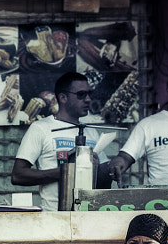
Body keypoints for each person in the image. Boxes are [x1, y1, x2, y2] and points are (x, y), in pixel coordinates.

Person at [11, 72, 110, 211]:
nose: (88, 99)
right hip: (54, 217)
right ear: (63, 97)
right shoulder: (41, 128)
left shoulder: (91, 132)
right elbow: (18, 175)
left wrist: (107, 169)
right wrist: (65, 172)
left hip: (89, 215)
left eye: (89, 94)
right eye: (81, 94)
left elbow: (104, 183)